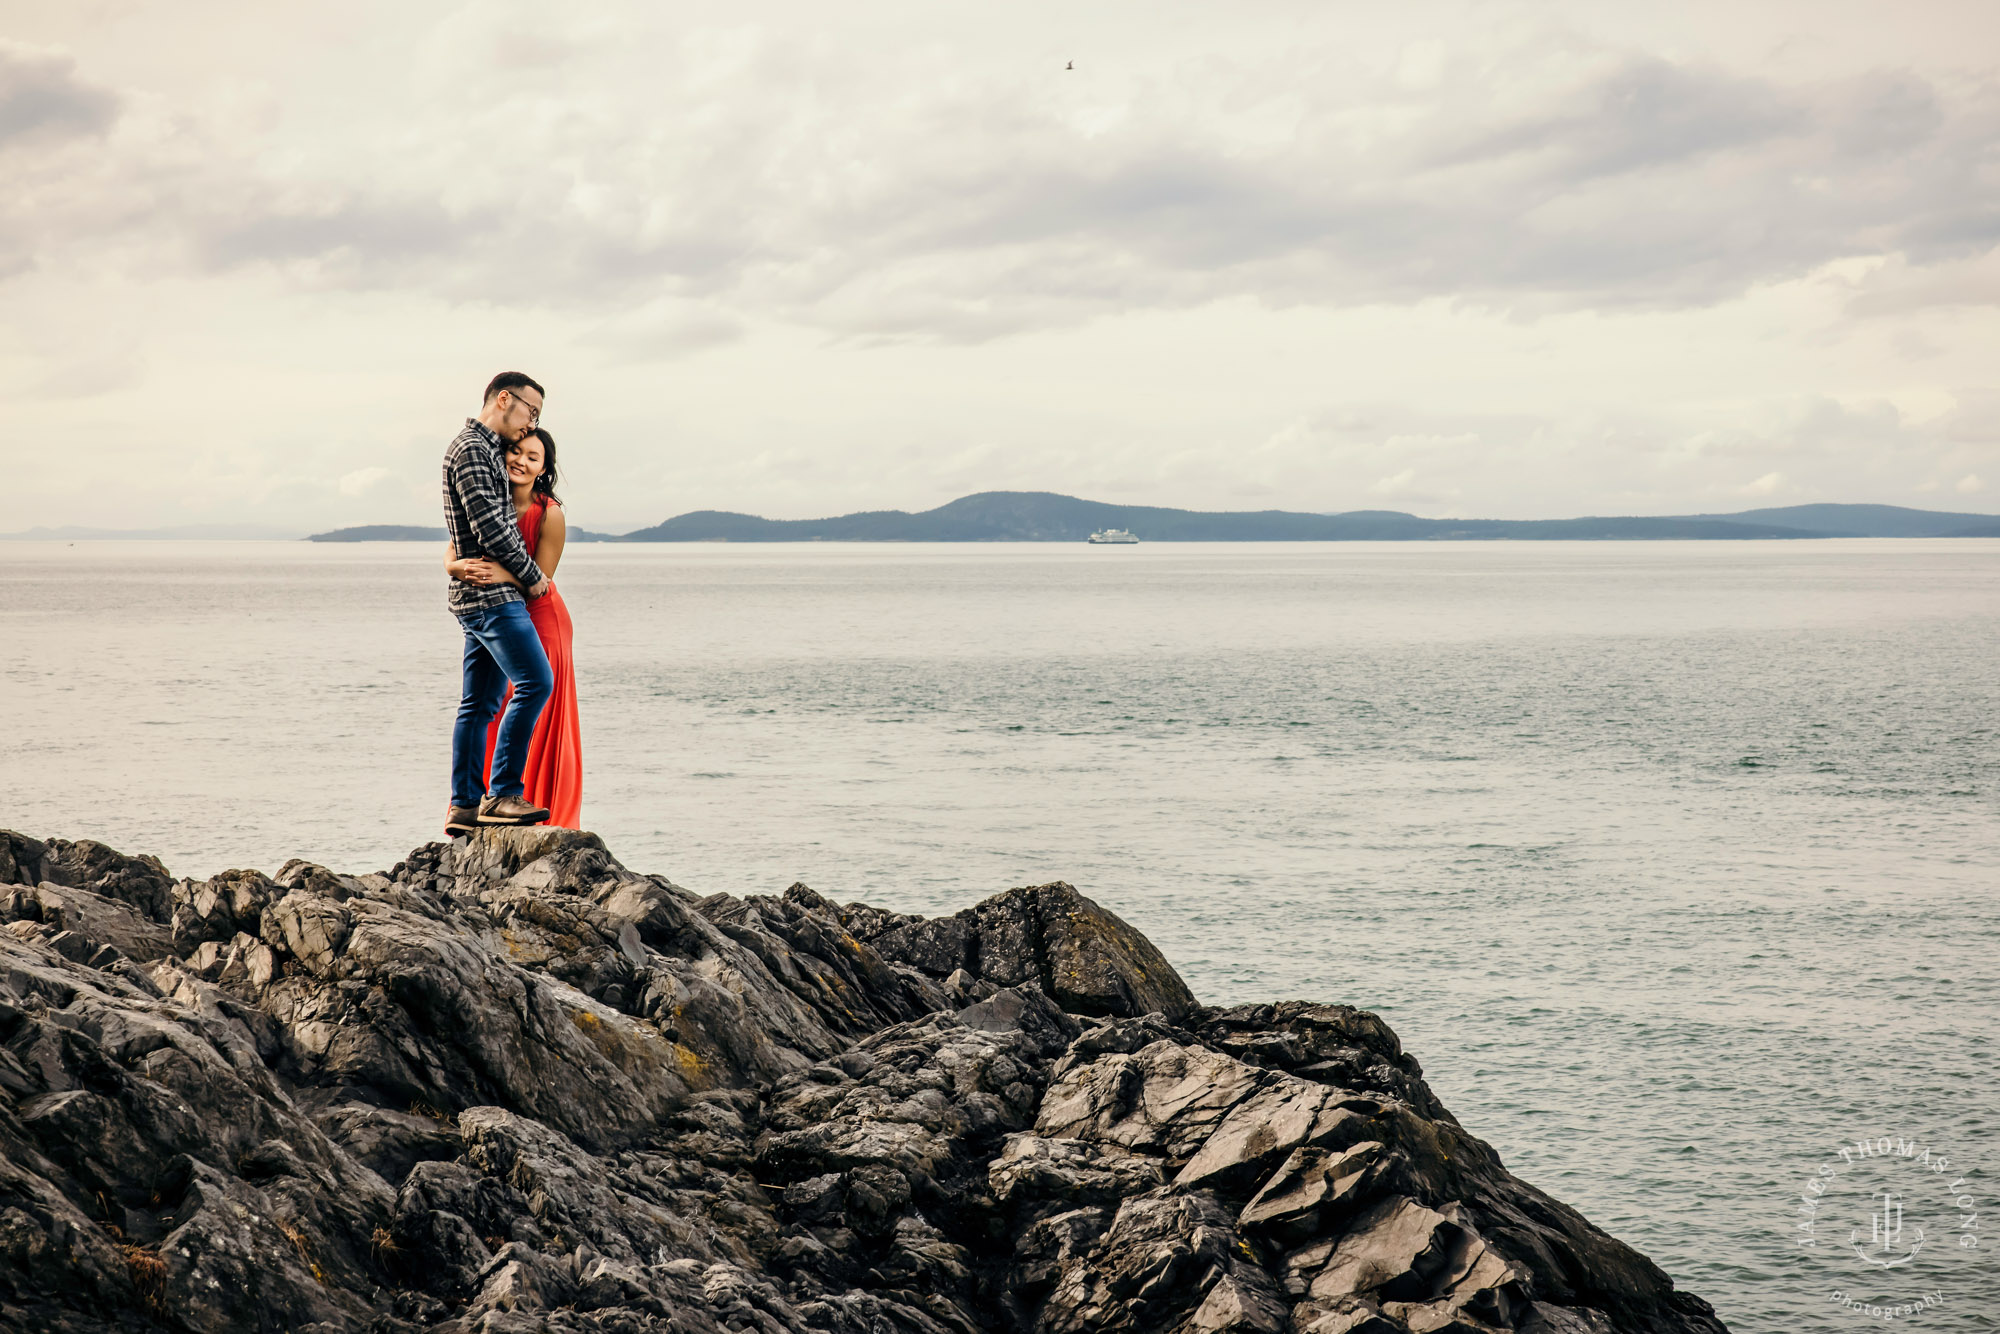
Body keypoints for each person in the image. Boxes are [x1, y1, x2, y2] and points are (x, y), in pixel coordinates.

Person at [446, 427, 582, 827]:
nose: (521, 461)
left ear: (544, 468)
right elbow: (455, 551)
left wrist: (497, 572)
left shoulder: (550, 513)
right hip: (498, 608)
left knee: (535, 696)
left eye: (533, 457)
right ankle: (486, 799)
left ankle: (522, 799)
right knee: (489, 702)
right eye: (516, 452)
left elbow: (541, 579)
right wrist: (456, 567)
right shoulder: (488, 500)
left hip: (542, 615)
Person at [442, 372, 554, 837]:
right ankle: (502, 793)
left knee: (480, 703)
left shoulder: (484, 449)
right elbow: (491, 528)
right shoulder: (472, 448)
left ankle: (465, 806)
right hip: (491, 597)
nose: (531, 424)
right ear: (504, 399)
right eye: (531, 412)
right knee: (535, 682)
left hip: (479, 596)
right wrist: (534, 580)